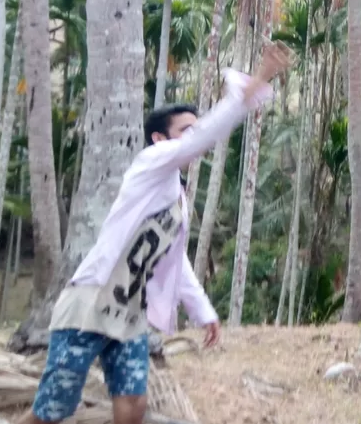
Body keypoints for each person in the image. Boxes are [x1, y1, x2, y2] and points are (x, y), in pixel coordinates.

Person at [24, 44, 295, 424]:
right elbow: (204, 138)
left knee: (132, 405)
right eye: (186, 130)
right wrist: (257, 81)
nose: (195, 136)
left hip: (129, 314)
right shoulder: (149, 166)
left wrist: (203, 311)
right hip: (88, 304)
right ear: (159, 140)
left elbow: (173, 261)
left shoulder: (176, 199)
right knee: (54, 408)